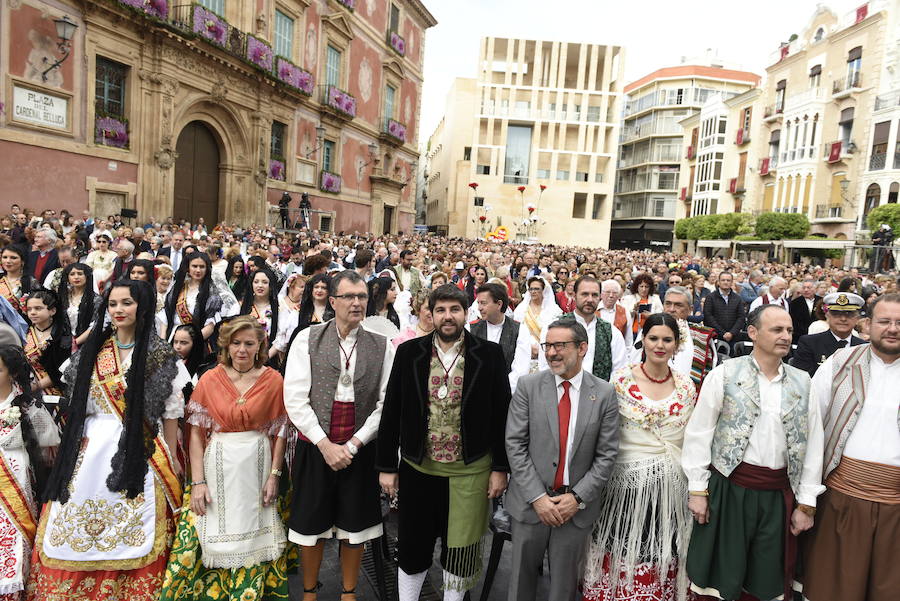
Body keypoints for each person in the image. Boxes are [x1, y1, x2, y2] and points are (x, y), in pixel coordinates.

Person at [32, 280, 190, 601]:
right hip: (91, 450)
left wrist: (173, 456)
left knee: (138, 520)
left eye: (127, 303)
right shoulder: (92, 353)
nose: (118, 310)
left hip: (143, 447)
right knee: (75, 521)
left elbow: (170, 412)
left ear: (142, 307)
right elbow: (79, 406)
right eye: (113, 304)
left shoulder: (160, 355)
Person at [376, 284, 511, 601]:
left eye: (454, 310)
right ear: (430, 314)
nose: (447, 317)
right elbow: (392, 408)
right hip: (418, 467)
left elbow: (502, 415)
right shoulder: (410, 353)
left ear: (467, 313)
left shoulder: (489, 355)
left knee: (460, 549)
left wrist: (500, 468)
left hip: (470, 471)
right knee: (412, 545)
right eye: (441, 310)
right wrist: (386, 466)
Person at [681, 304, 824, 601]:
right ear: (753, 333)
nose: (786, 336)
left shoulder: (804, 381)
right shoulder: (724, 375)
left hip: (777, 494)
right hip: (730, 489)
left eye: (788, 330)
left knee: (765, 579)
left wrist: (807, 503)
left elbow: (813, 446)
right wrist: (697, 489)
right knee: (722, 575)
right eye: (777, 329)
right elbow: (699, 433)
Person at [161, 316, 292, 601]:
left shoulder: (274, 380)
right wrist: (198, 482)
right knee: (208, 524)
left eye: (249, 343)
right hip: (217, 462)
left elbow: (280, 431)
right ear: (226, 345)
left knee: (256, 526)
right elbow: (195, 434)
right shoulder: (210, 379)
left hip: (257, 464)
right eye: (236, 343)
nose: (242, 350)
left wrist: (274, 475)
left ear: (260, 345)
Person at [284, 270, 394, 601]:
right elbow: (295, 399)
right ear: (333, 302)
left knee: (355, 527)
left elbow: (385, 404)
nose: (357, 303)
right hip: (315, 446)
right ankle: (309, 592)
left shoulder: (382, 345)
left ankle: (348, 593)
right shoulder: (307, 338)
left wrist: (355, 444)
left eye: (362, 297)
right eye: (350, 297)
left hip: (359, 449)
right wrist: (324, 444)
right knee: (311, 527)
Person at [581, 313, 697, 601]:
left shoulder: (686, 387)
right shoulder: (620, 381)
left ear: (676, 344)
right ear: (643, 340)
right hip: (623, 490)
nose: (660, 345)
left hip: (669, 493)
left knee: (660, 549)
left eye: (667, 340)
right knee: (619, 545)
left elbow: (690, 439)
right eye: (653, 338)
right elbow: (605, 433)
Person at [505, 318, 620, 601]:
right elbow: (515, 444)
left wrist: (577, 498)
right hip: (530, 507)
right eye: (547, 346)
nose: (551, 352)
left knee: (564, 591)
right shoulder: (528, 386)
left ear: (582, 348)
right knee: (520, 586)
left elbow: (606, 456)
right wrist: (538, 498)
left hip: (574, 511)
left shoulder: (604, 393)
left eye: (560, 346)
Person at [802, 293, 900, 601]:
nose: (893, 329)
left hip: (897, 506)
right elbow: (810, 427)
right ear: (868, 325)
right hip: (841, 498)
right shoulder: (839, 363)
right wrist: (806, 497)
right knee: (834, 588)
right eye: (885, 321)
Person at [0, 345, 58, 600]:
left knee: (13, 529)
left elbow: (49, 439)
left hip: (15, 472)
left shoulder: (25, 405)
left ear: (11, 373)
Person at [538, 276, 627, 383]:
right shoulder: (554, 327)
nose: (590, 299)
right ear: (575, 295)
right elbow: (545, 366)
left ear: (600, 298)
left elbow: (619, 372)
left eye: (594, 295)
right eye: (584, 294)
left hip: (599, 396)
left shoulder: (611, 332)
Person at [635, 286, 717, 392]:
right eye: (668, 304)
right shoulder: (649, 330)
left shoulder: (702, 336)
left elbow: (710, 375)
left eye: (678, 305)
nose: (672, 309)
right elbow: (634, 362)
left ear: (690, 309)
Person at [468, 282, 530, 391]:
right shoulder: (470, 328)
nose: (479, 308)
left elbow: (520, 370)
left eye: (483, 303)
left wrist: (499, 391)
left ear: (499, 304)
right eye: (478, 303)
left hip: (507, 393)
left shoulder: (520, 330)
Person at [791, 292, 866, 376]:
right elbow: (802, 380)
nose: (843, 318)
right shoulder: (809, 344)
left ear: (857, 318)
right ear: (827, 316)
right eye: (836, 314)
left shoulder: (864, 347)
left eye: (849, 314)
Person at [162, 253, 222, 342]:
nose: (198, 270)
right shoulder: (178, 287)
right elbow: (166, 314)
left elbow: (210, 325)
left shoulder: (212, 292)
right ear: (188, 268)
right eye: (194, 266)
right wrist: (163, 341)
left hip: (197, 340)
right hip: (173, 336)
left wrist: (193, 342)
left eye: (202, 267)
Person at [23, 290, 70, 401]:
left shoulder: (61, 336)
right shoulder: (24, 332)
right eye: (29, 309)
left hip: (53, 392)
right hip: (26, 387)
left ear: (52, 311)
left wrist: (35, 386)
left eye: (38, 308)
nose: (32, 312)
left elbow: (60, 371)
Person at [513, 276, 562, 366]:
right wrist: (529, 347)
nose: (533, 291)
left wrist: (541, 349)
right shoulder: (521, 309)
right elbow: (515, 332)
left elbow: (557, 333)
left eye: (537, 289)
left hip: (547, 354)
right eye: (531, 289)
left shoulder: (554, 310)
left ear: (543, 290)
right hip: (525, 353)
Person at [241, 267, 280, 362]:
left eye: (265, 282)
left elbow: (281, 337)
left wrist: (267, 357)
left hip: (270, 357)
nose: (260, 285)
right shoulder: (244, 306)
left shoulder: (279, 308)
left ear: (271, 286)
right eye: (256, 282)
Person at [57, 262, 98, 348]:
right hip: (62, 343)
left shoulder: (96, 299)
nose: (76, 277)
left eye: (80, 274)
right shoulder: (62, 297)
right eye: (72, 274)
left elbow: (95, 325)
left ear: (86, 276)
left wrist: (76, 342)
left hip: (86, 343)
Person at [702, 271, 746, 350]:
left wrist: (731, 333)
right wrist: (723, 333)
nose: (725, 282)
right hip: (716, 337)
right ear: (718, 282)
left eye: (728, 280)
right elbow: (708, 317)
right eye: (723, 280)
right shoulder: (711, 297)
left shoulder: (737, 298)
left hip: (733, 337)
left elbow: (741, 317)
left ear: (732, 282)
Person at [621, 273, 663, 343]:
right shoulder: (627, 299)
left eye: (646, 287)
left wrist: (651, 316)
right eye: (641, 286)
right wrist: (633, 310)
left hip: (649, 332)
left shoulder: (655, 299)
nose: (644, 289)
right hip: (632, 332)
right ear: (637, 287)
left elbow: (661, 315)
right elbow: (623, 315)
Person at [0, 245, 38, 320]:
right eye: (5, 257)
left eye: (13, 258)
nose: (8, 261)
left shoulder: (31, 282)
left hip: (23, 325)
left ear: (22, 262)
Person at [597, 279, 631, 347]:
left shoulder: (624, 312)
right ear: (601, 294)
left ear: (618, 295)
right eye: (607, 292)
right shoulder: (593, 310)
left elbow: (628, 339)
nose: (611, 295)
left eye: (615, 293)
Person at [789, 278, 822, 344]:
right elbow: (793, 321)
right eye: (804, 288)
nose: (806, 290)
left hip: (819, 336)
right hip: (800, 338)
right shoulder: (795, 303)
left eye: (808, 288)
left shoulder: (821, 301)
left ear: (815, 289)